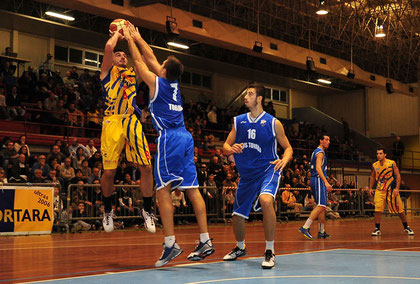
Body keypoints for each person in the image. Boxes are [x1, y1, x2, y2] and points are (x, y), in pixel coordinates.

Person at [122, 23, 214, 267]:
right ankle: (205, 240)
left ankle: (170, 243)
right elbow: (151, 57)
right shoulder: (173, 84)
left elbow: (140, 63)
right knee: (192, 189)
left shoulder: (156, 84)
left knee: (162, 189)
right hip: (186, 137)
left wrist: (129, 38)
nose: (158, 64)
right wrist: (140, 37)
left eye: (161, 65)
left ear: (163, 71)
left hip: (170, 138)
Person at [221, 82, 293, 269]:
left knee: (266, 201)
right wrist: (230, 149)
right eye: (246, 94)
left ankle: (270, 251)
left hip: (268, 170)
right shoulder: (239, 121)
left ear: (259, 98)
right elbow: (225, 147)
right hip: (247, 175)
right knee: (237, 216)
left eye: (250, 94)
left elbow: (288, 148)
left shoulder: (273, 123)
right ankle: (240, 247)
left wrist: (284, 159)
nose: (246, 97)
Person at [99, 27, 155, 234]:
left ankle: (147, 211)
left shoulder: (132, 73)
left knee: (147, 168)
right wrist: (117, 32)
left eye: (124, 55)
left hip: (131, 120)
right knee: (109, 172)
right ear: (112, 59)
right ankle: (107, 211)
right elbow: (108, 47)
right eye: (118, 54)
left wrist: (131, 39)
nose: (123, 56)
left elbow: (142, 60)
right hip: (112, 122)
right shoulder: (106, 72)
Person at [368, 148, 414, 236]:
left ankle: (406, 227)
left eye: (380, 153)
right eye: (377, 153)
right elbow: (373, 176)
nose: (378, 155)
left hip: (392, 190)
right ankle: (377, 229)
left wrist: (397, 188)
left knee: (400, 210)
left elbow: (398, 175)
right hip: (380, 190)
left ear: (385, 154)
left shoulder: (391, 163)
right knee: (377, 209)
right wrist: (370, 188)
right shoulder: (375, 165)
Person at [299, 135, 332, 240]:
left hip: (315, 180)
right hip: (318, 179)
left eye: (329, 140)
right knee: (321, 205)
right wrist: (326, 182)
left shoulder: (316, 151)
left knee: (321, 207)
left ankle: (321, 231)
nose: (328, 142)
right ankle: (305, 227)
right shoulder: (320, 153)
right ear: (320, 141)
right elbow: (318, 168)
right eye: (326, 140)